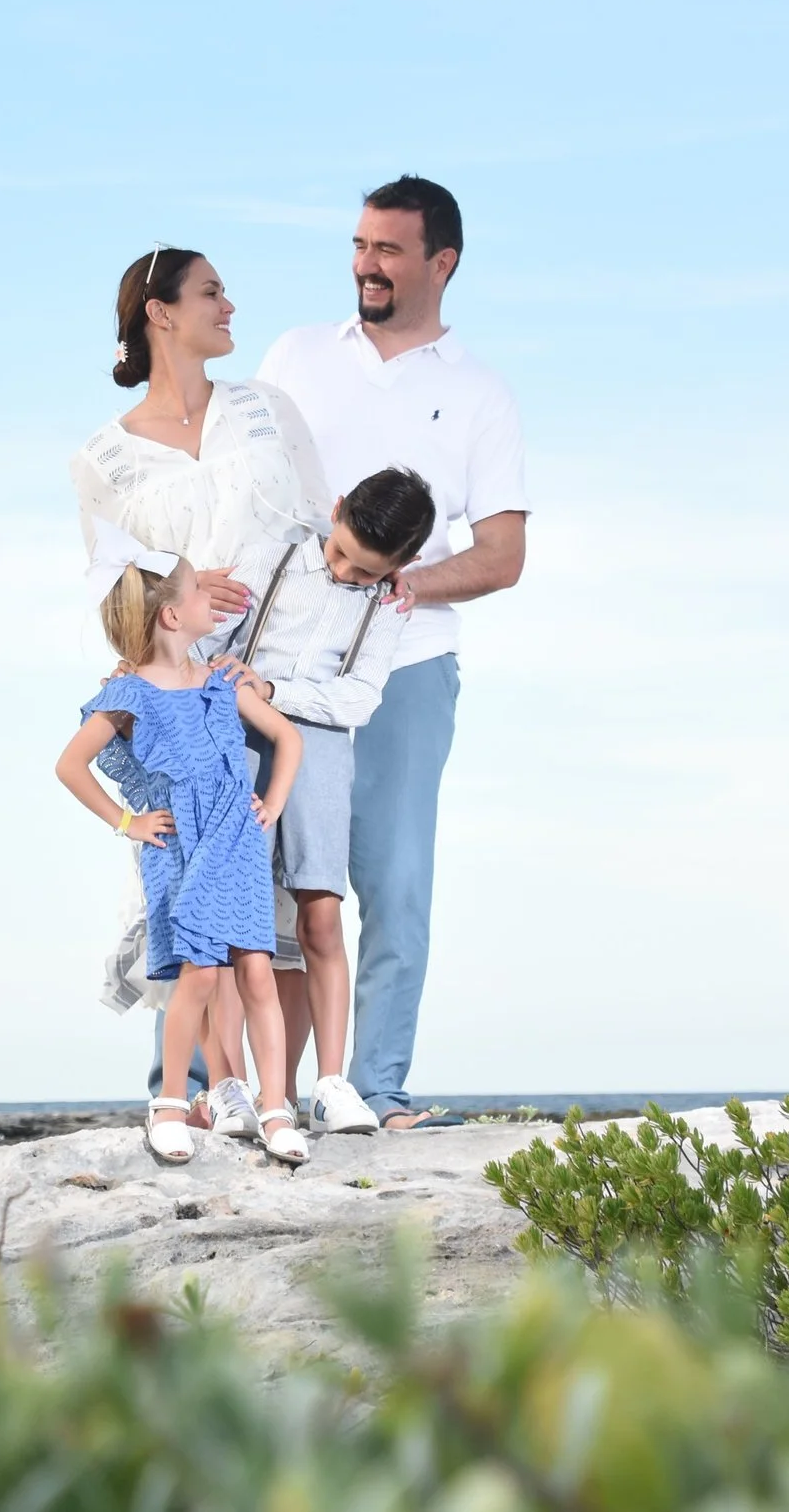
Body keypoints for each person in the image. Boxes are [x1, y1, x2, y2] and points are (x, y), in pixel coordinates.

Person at [252, 176, 529, 1129]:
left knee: (396, 882)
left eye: (389, 250)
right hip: (277, 670)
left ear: (441, 263)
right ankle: (229, 1090)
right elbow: (245, 492)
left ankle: (376, 1091)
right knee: (254, 868)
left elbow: (503, 555)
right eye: (361, 245)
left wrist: (404, 584)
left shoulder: (479, 392)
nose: (366, 264)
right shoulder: (294, 355)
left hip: (407, 670)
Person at [68, 246, 331, 1095]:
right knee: (186, 880)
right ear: (160, 313)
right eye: (212, 291)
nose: (230, 305)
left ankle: (290, 1097)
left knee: (294, 897)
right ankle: (188, 1092)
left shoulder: (266, 409)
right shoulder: (102, 459)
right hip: (186, 693)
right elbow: (112, 590)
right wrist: (177, 599)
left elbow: (327, 530)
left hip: (282, 677)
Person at [193, 467, 440, 1139]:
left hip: (322, 745)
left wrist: (274, 691)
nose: (344, 571)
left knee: (321, 918)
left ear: (403, 565)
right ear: (334, 512)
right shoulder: (267, 557)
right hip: (234, 737)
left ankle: (330, 1085)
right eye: (339, 553)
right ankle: (227, 1085)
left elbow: (359, 698)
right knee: (227, 926)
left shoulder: (388, 607)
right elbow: (204, 645)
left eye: (363, 572)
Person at [55, 523, 308, 1165]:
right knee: (199, 974)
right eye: (199, 590)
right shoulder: (127, 694)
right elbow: (70, 765)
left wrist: (271, 805)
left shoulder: (221, 681)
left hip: (239, 843)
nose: (209, 598)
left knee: (258, 971)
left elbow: (288, 738)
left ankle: (276, 1107)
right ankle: (168, 1102)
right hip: (181, 849)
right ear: (173, 614)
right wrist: (127, 822)